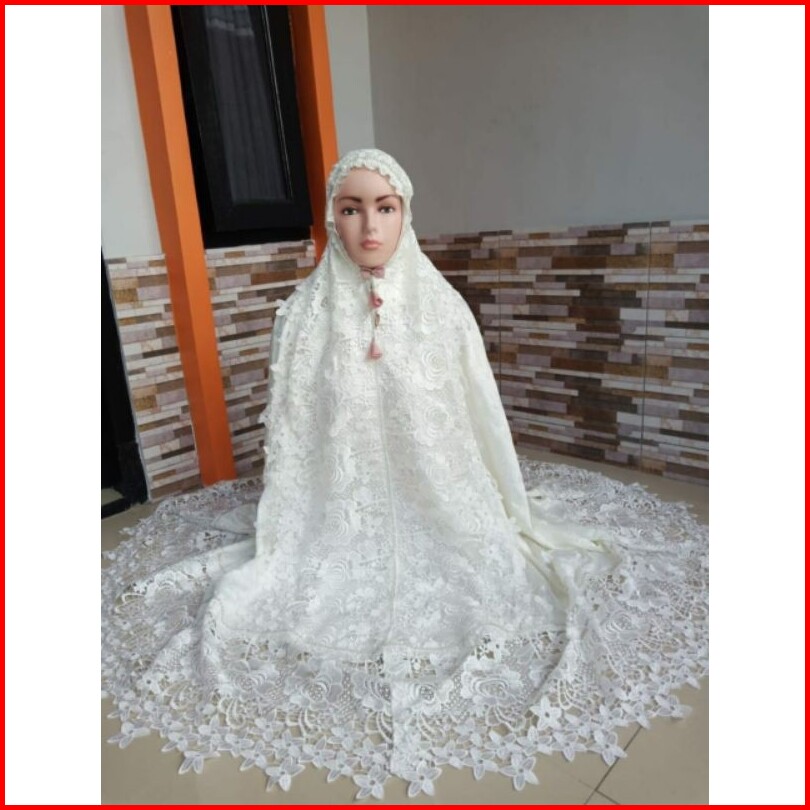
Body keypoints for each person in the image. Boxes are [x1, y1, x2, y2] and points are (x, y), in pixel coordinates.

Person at [102, 148, 708, 799]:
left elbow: (479, 416)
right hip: (339, 517)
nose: (370, 226)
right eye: (351, 209)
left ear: (405, 213)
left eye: (385, 208)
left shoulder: (442, 308)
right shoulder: (302, 317)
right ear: (331, 218)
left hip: (442, 506)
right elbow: (294, 437)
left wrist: (501, 497)